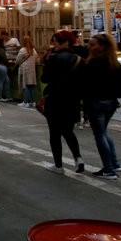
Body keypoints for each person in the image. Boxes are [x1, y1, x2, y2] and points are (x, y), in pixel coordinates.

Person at [40, 31, 85, 175]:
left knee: (54, 133)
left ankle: (58, 165)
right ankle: (78, 157)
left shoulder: (53, 58)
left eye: (56, 41)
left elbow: (44, 78)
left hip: (55, 98)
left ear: (65, 42)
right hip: (72, 99)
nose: (54, 44)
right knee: (68, 130)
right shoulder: (79, 59)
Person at [79, 33, 121, 179]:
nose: (89, 47)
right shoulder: (114, 63)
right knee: (103, 132)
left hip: (96, 101)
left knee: (100, 134)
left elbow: (84, 82)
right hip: (111, 101)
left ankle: (109, 169)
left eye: (92, 45)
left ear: (102, 47)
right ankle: (114, 163)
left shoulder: (93, 64)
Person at [15, 35, 39, 108]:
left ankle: (25, 102)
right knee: (32, 86)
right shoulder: (34, 50)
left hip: (24, 69)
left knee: (25, 85)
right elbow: (36, 59)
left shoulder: (22, 50)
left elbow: (17, 60)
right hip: (32, 69)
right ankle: (33, 102)